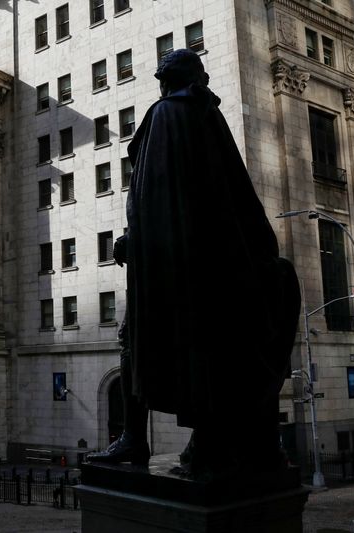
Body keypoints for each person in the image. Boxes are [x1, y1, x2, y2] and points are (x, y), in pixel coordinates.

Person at [89, 49, 300, 479]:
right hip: (206, 260)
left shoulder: (168, 114)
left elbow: (160, 194)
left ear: (165, 80)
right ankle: (178, 442)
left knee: (138, 344)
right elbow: (217, 194)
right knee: (192, 351)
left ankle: (140, 440)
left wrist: (138, 242)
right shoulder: (205, 116)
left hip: (174, 267)